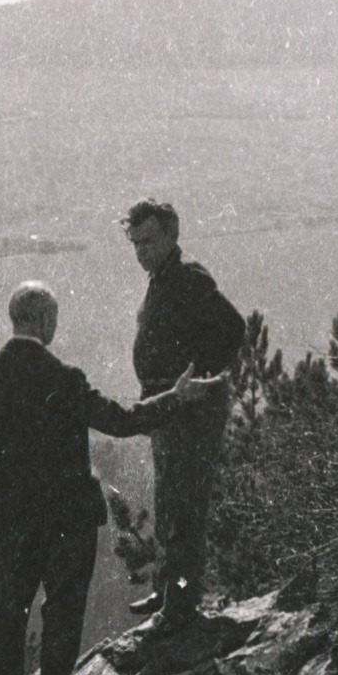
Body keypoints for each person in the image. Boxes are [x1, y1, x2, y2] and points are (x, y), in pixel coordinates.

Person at [0, 281, 221, 675]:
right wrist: (175, 397)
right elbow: (121, 419)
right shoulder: (65, 377)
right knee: (63, 610)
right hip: (68, 520)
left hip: (12, 520)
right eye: (54, 320)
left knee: (9, 611)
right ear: (43, 321)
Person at [122, 199, 245, 628]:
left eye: (148, 241)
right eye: (135, 243)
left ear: (172, 236)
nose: (141, 251)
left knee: (186, 507)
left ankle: (179, 605)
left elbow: (233, 328)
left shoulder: (188, 276)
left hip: (190, 411)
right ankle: (166, 591)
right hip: (167, 409)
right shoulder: (162, 278)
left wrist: (201, 377)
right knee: (169, 504)